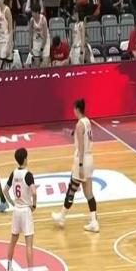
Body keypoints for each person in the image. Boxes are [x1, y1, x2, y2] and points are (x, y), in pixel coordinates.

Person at [52, 99, 99, 232]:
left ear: (77, 109)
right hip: (90, 159)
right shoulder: (87, 121)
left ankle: (61, 217)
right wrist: (71, 133)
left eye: (74, 109)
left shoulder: (79, 124)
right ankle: (94, 222)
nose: (73, 111)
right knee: (89, 194)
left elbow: (82, 146)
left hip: (82, 160)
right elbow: (82, 136)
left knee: (71, 189)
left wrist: (80, 165)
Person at [3, 148, 42, 271]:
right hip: (25, 211)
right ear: (25, 159)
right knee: (29, 246)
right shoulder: (28, 175)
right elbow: (34, 192)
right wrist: (34, 205)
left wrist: (12, 203)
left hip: (16, 211)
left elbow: (5, 190)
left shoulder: (13, 173)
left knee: (12, 241)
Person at [27, 3, 50, 68]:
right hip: (36, 41)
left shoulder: (43, 19)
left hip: (45, 41)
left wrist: (42, 49)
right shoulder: (32, 20)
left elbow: (45, 36)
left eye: (33, 12)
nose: (32, 14)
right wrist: (30, 46)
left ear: (37, 12)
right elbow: (30, 35)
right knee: (36, 64)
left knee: (45, 64)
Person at [0, 0, 14, 69]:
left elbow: (11, 29)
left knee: (5, 63)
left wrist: (9, 44)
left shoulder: (7, 10)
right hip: (0, 39)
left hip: (6, 39)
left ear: (3, 0)